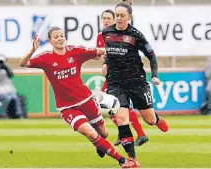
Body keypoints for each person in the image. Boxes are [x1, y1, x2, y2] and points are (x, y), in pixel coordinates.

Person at [18, 26, 135, 167]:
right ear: (50, 41)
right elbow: (22, 63)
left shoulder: (76, 51)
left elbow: (99, 51)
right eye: (56, 37)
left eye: (62, 35)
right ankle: (122, 160)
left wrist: (120, 51)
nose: (60, 38)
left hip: (86, 100)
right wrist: (32, 50)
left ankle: (101, 145)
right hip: (67, 108)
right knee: (91, 134)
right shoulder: (45, 58)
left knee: (103, 134)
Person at [102, 2, 169, 167]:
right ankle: (132, 159)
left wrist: (154, 75)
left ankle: (156, 120)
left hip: (137, 82)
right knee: (122, 118)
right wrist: (105, 63)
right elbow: (108, 53)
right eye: (116, 15)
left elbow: (152, 56)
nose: (118, 18)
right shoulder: (106, 32)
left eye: (122, 16)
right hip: (116, 83)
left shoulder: (136, 35)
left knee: (149, 119)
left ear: (129, 17)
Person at [97, 9, 149, 147]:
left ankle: (137, 133)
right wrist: (104, 63)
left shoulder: (122, 35)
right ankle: (129, 132)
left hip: (123, 77)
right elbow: (103, 54)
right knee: (114, 106)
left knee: (113, 105)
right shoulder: (102, 35)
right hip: (112, 76)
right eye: (104, 18)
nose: (106, 20)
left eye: (109, 18)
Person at [0, 54, 22, 119]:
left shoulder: (5, 68)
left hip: (5, 91)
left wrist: (5, 66)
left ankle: (18, 114)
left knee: (15, 97)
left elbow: (11, 75)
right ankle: (2, 115)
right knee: (7, 98)